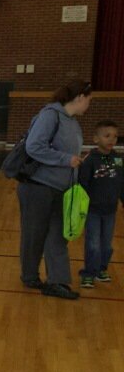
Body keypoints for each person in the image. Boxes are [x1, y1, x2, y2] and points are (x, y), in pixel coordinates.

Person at [17, 79, 93, 299]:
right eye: (89, 100)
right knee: (34, 234)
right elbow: (34, 146)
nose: (89, 104)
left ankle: (58, 281)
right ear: (80, 97)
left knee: (59, 235)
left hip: (62, 189)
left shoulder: (73, 122)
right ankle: (30, 276)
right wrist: (65, 159)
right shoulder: (50, 115)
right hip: (38, 187)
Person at [78, 120, 121, 288]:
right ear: (96, 138)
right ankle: (89, 273)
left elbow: (121, 182)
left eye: (115, 136)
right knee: (93, 244)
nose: (111, 139)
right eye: (107, 136)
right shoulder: (90, 160)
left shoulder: (118, 159)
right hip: (93, 211)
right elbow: (83, 184)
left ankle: (101, 269)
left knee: (106, 244)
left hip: (110, 211)